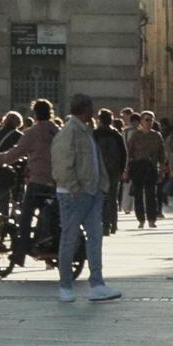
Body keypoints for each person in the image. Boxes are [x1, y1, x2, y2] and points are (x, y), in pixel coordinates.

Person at [51, 93, 122, 303]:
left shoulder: (85, 131)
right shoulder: (70, 132)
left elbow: (93, 160)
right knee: (70, 238)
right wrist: (75, 188)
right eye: (91, 108)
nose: (94, 113)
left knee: (95, 237)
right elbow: (62, 164)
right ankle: (65, 286)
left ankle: (97, 284)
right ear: (84, 110)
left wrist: (101, 186)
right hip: (75, 194)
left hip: (91, 192)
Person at [0, 98, 59, 267]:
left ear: (35, 115)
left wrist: (0, 159)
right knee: (48, 215)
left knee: (26, 216)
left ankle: (20, 254)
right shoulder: (58, 131)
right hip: (56, 182)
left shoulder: (33, 132)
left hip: (38, 181)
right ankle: (46, 242)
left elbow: (17, 152)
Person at [125, 110, 166, 228]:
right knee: (138, 194)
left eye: (151, 120)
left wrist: (162, 171)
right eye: (146, 119)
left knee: (151, 195)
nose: (149, 122)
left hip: (151, 167)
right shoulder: (136, 136)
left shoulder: (157, 136)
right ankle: (141, 219)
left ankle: (152, 219)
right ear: (141, 121)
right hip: (138, 166)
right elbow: (129, 153)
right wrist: (126, 170)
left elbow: (162, 155)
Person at [0, 110, 24, 223]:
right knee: (17, 199)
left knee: (3, 200)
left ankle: (3, 225)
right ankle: (16, 222)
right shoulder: (19, 136)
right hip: (16, 172)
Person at [94, 109, 128, 235]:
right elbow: (124, 154)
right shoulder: (116, 134)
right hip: (114, 170)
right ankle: (113, 224)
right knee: (113, 198)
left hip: (99, 170)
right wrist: (122, 169)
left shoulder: (95, 134)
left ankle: (104, 224)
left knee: (101, 198)